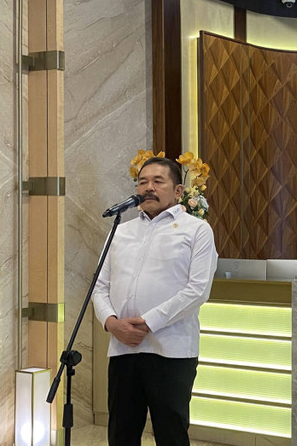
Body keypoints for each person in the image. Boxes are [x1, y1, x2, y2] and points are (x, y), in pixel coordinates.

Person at [93, 156, 218, 446]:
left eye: (157, 181)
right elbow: (99, 287)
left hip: (170, 352)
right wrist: (112, 324)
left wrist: (148, 323)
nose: (148, 187)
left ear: (177, 192)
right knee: (121, 433)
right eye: (142, 181)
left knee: (171, 434)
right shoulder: (120, 231)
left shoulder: (196, 230)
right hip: (123, 349)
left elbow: (198, 290)